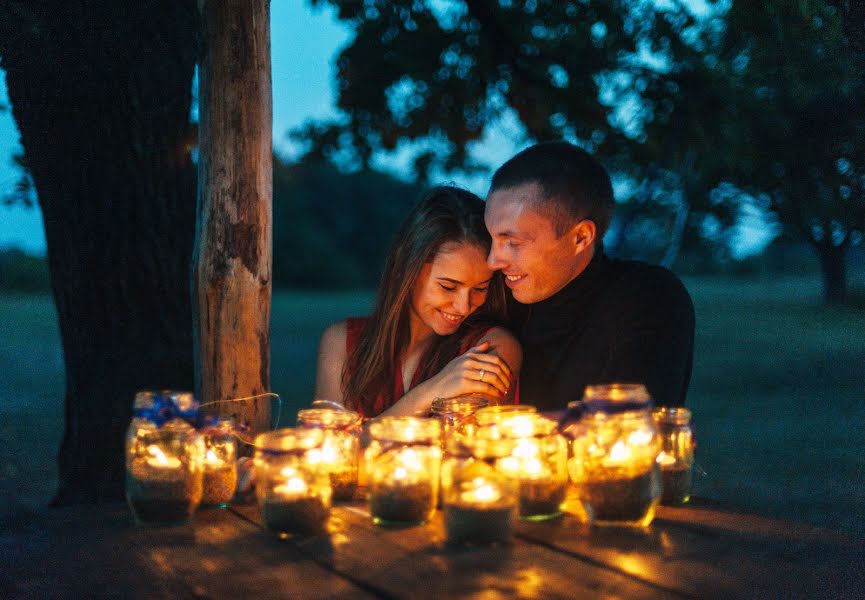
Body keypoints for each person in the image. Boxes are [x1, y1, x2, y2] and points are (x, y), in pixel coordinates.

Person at [484, 141, 694, 410]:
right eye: (491, 239)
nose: (493, 261)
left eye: (512, 242)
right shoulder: (496, 299)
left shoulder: (649, 298)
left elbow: (626, 423)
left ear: (581, 237)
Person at [314, 185, 522, 418]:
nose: (464, 306)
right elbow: (328, 450)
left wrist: (359, 437)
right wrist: (431, 391)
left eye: (480, 288)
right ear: (408, 269)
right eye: (448, 287)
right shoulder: (342, 343)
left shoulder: (491, 347)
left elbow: (454, 443)